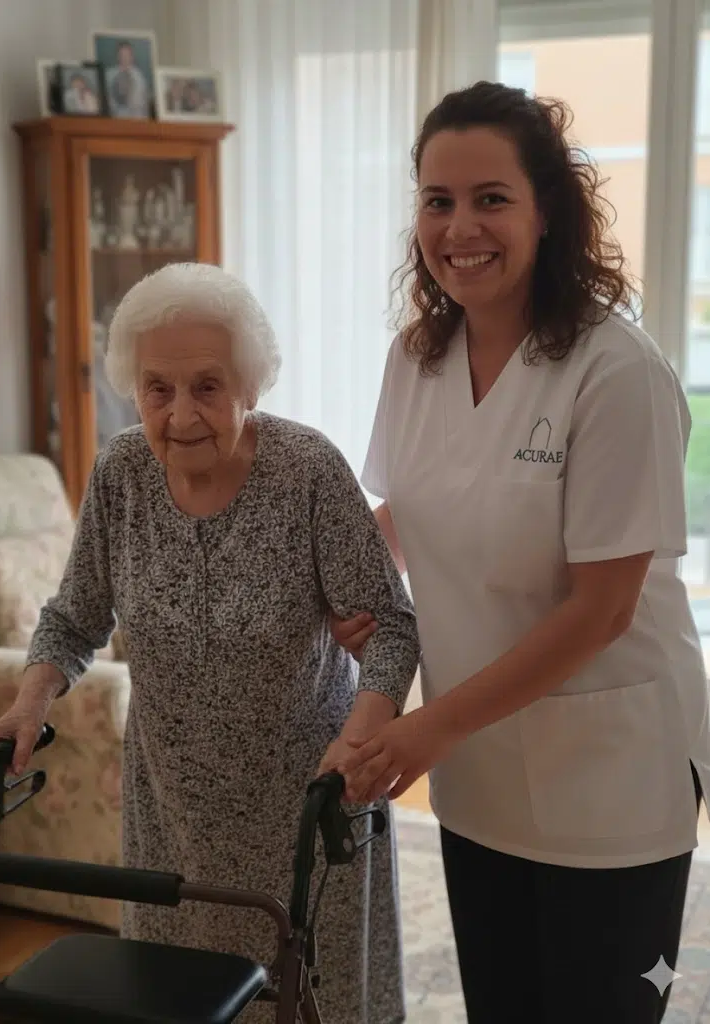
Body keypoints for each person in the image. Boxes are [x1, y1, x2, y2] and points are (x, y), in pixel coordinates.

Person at [330, 81, 710, 1024]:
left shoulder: (614, 370)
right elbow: (409, 511)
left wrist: (426, 729)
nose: (460, 227)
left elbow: (602, 611)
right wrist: (340, 592)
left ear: (546, 212)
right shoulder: (415, 357)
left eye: (490, 198)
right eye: (438, 200)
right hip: (481, 772)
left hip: (608, 779)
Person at [0, 262, 420, 1024]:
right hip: (171, 822)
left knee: (312, 1001)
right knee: (176, 1003)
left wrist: (360, 739)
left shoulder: (307, 471)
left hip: (307, 809)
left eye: (207, 386)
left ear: (250, 386)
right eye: (157, 388)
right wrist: (27, 704)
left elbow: (391, 625)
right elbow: (74, 618)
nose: (180, 413)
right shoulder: (121, 473)